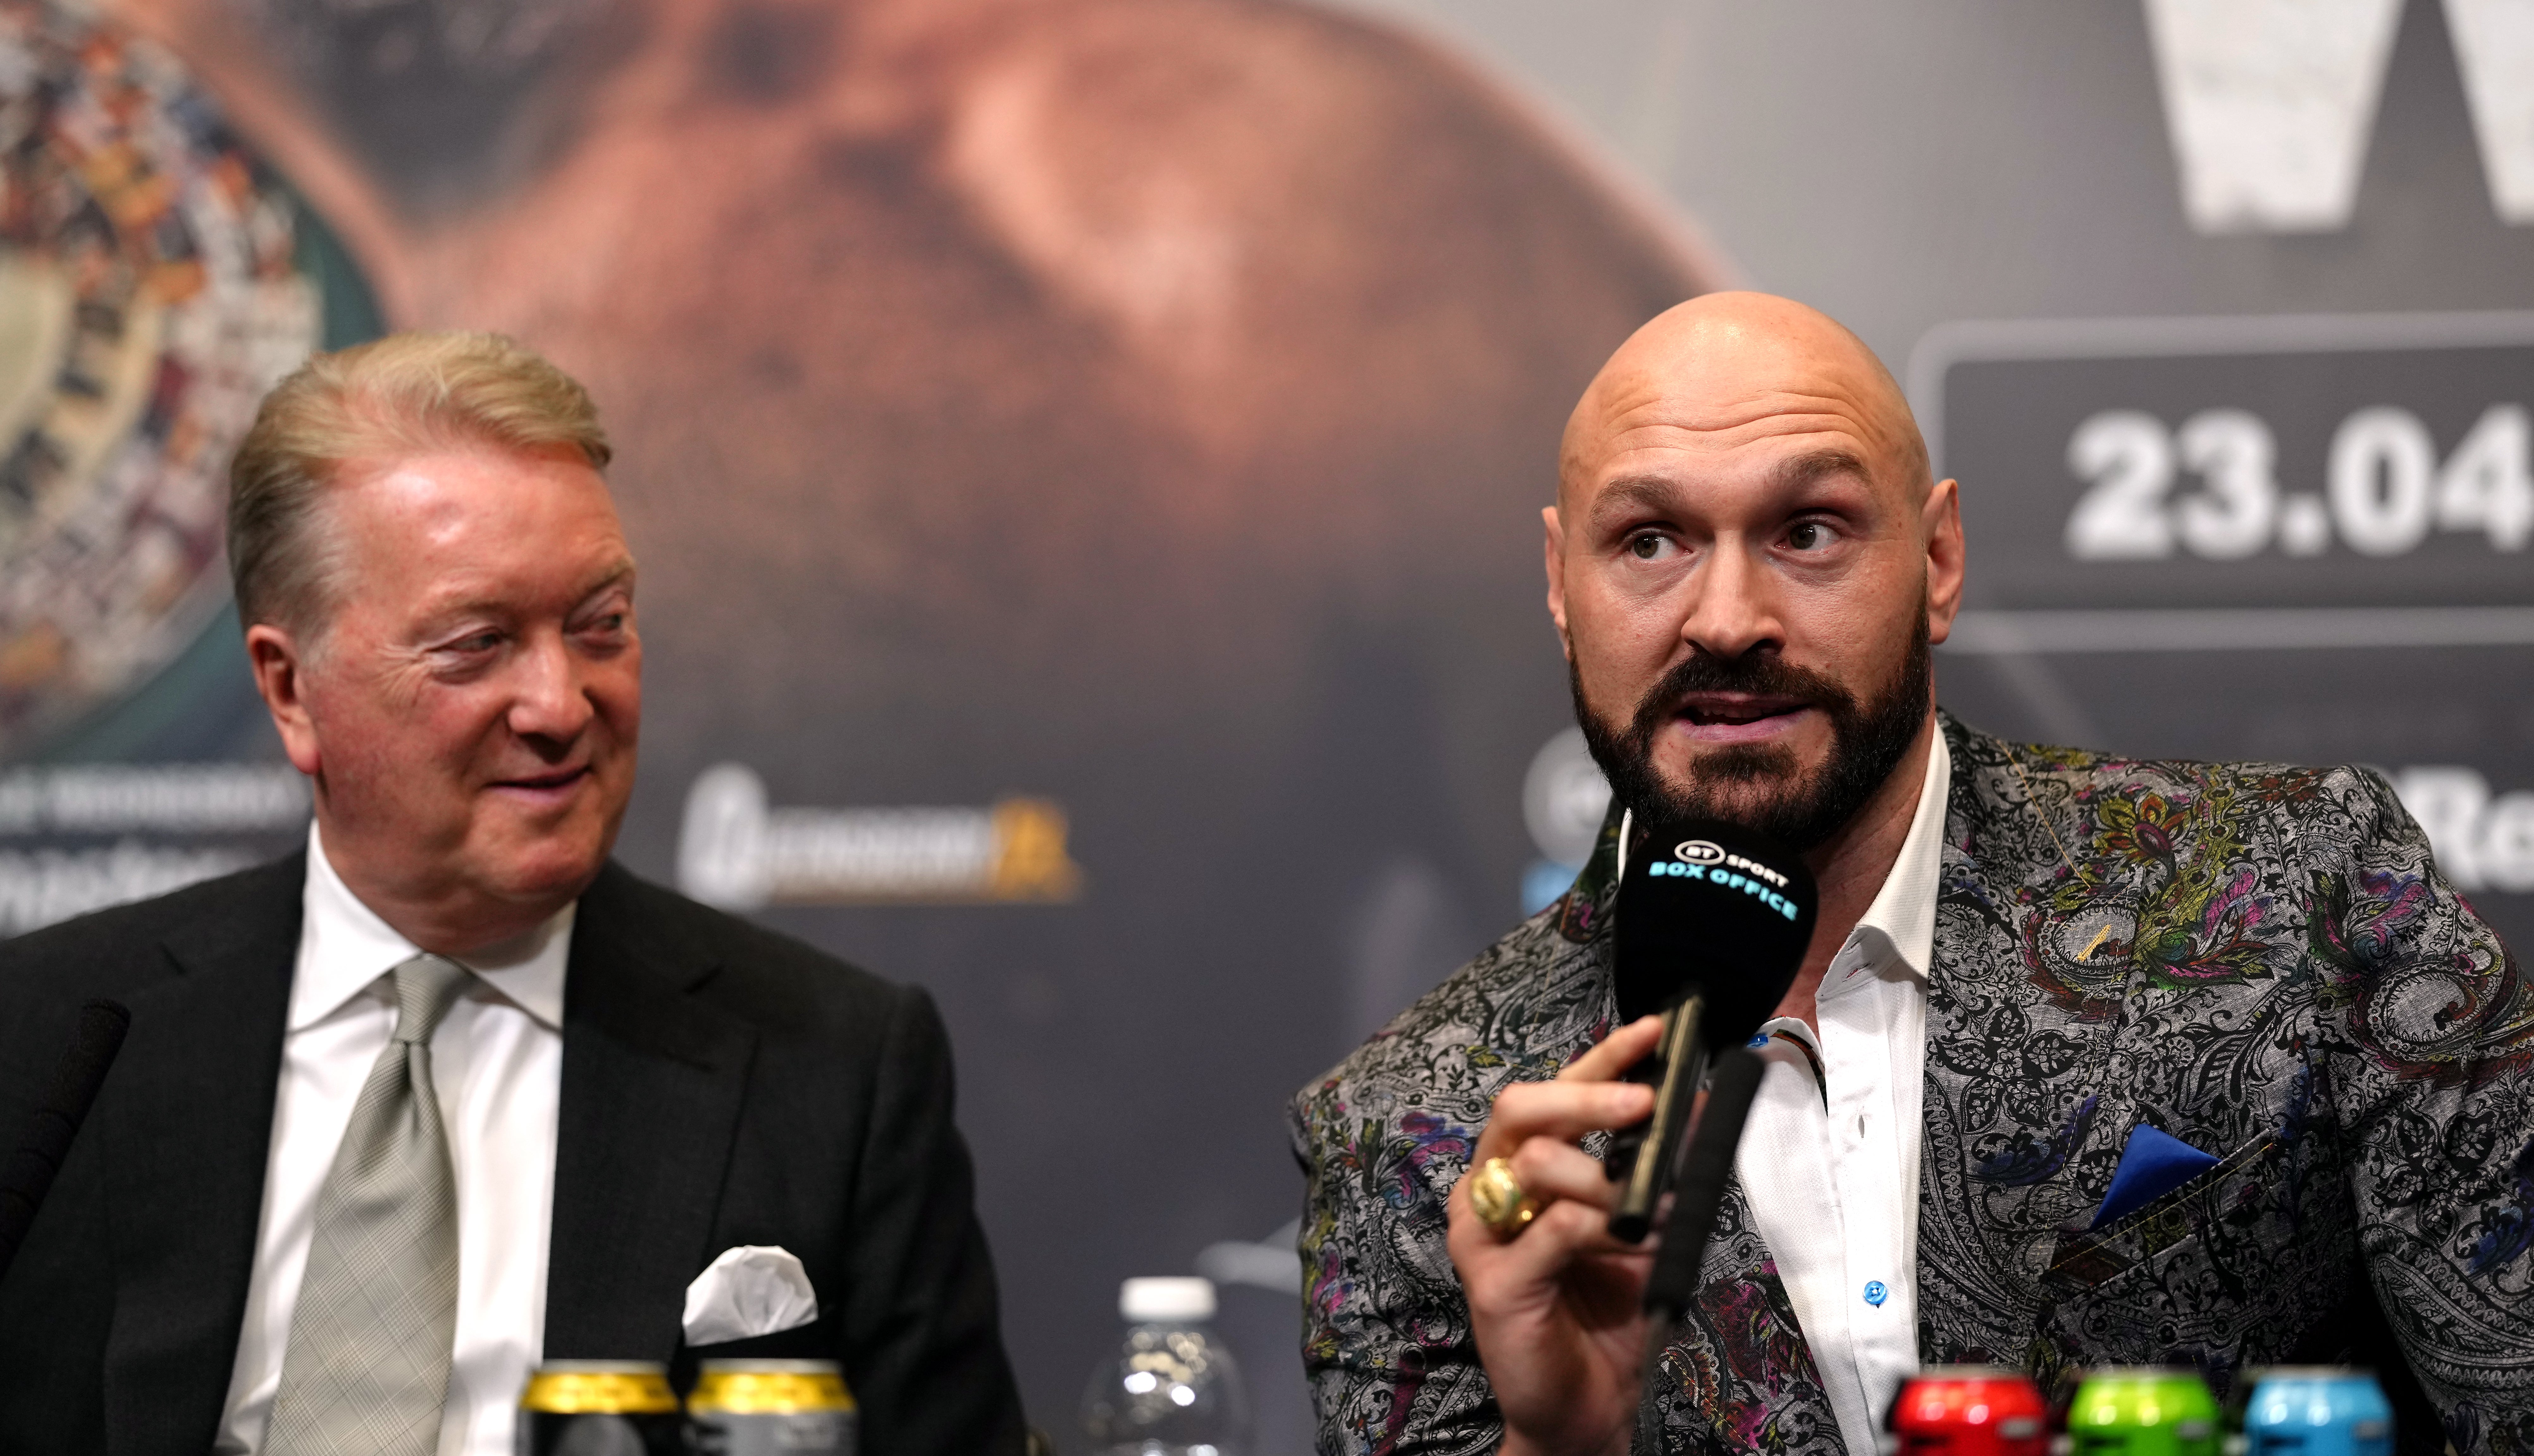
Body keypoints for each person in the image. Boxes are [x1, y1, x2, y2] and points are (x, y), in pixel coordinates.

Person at [1289, 292, 2534, 1456]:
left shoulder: (2293, 889)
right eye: (1650, 540)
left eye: (1807, 532)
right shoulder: (1418, 1133)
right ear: (1562, 586)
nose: (1725, 618)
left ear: (1937, 561)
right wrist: (1558, 1446)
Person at [0, 333, 1027, 1456]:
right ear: (290, 690)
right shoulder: (54, 1039)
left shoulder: (832, 1066)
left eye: (601, 626)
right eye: (478, 643)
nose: (559, 703)